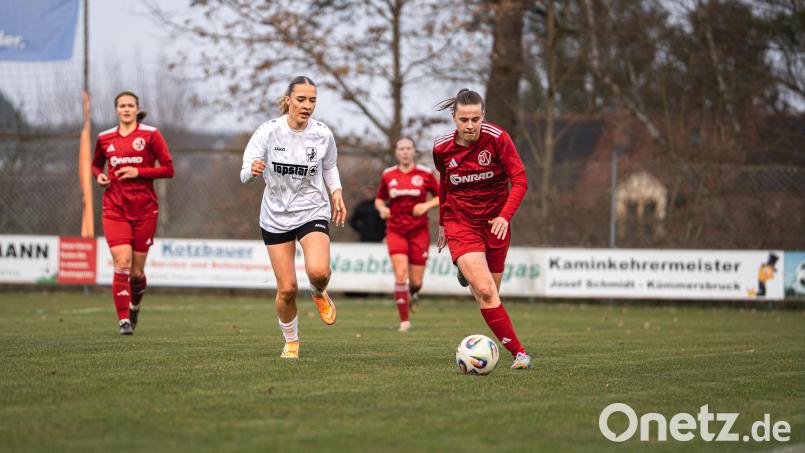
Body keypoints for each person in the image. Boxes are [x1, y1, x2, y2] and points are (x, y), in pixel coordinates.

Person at [240, 76, 347, 359]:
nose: (307, 105)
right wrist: (252, 171)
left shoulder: (323, 134)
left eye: (312, 100)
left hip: (312, 208)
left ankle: (318, 291)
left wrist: (336, 191)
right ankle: (291, 341)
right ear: (288, 100)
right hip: (275, 215)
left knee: (319, 271)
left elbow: (330, 166)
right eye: (301, 99)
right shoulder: (268, 131)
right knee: (287, 288)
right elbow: (244, 172)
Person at [432, 88, 532, 369]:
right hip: (460, 222)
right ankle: (520, 354)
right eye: (464, 119)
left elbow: (520, 181)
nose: (470, 125)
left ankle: (465, 273)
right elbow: (445, 184)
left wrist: (504, 216)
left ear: (483, 115)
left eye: (476, 119)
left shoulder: (498, 139)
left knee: (487, 295)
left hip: (495, 225)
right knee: (486, 290)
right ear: (454, 118)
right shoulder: (441, 148)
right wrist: (442, 221)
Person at [92, 91, 174, 335]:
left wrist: (139, 172)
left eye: (130, 105)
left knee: (137, 273)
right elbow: (96, 164)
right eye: (122, 106)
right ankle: (123, 321)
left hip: (145, 209)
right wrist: (100, 177)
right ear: (116, 110)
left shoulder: (151, 135)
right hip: (114, 208)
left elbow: (169, 169)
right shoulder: (105, 138)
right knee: (122, 262)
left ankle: (134, 305)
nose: (126, 109)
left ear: (137, 109)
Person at [375, 138, 439, 331]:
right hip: (395, 229)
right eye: (401, 148)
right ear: (396, 152)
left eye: (408, 148)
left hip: (419, 230)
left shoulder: (425, 174)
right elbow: (379, 199)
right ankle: (404, 321)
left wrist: (426, 205)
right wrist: (381, 209)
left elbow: (442, 196)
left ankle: (414, 293)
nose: (404, 152)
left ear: (414, 152)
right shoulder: (388, 175)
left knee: (417, 282)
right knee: (401, 274)